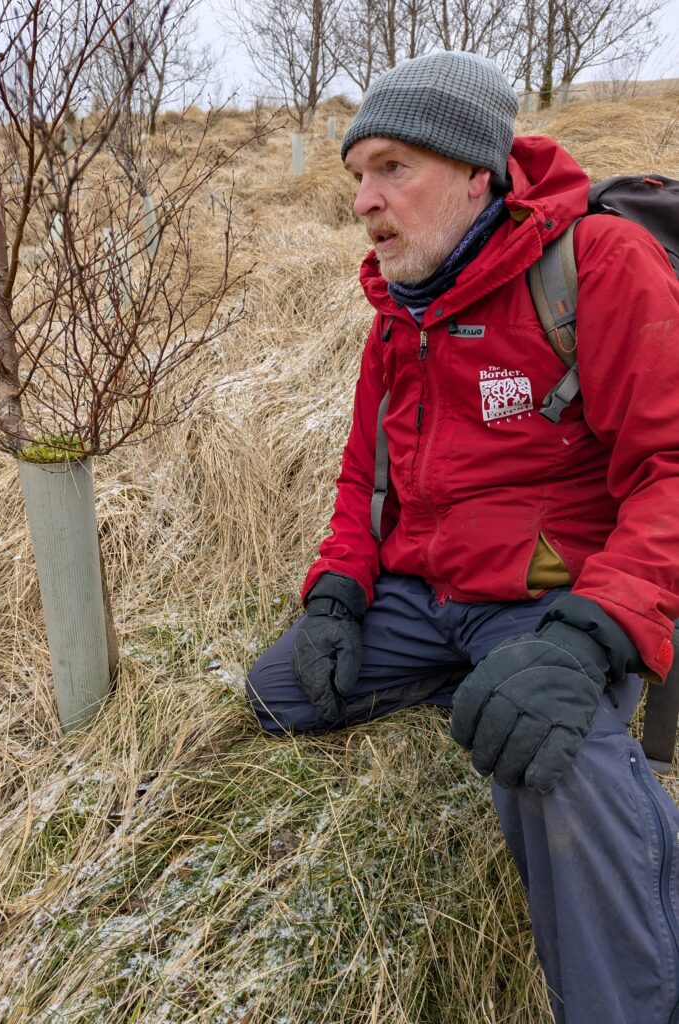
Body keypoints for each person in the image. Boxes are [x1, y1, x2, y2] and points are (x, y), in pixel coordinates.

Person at [246, 50, 679, 1023]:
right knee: (278, 694)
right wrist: (334, 595)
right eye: (356, 174)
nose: (365, 198)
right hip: (421, 597)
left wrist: (587, 638)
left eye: (393, 167)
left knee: (551, 754)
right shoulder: (398, 315)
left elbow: (671, 471)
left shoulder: (599, 267)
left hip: (542, 598)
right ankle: (469, 678)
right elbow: (365, 481)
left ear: (475, 171)